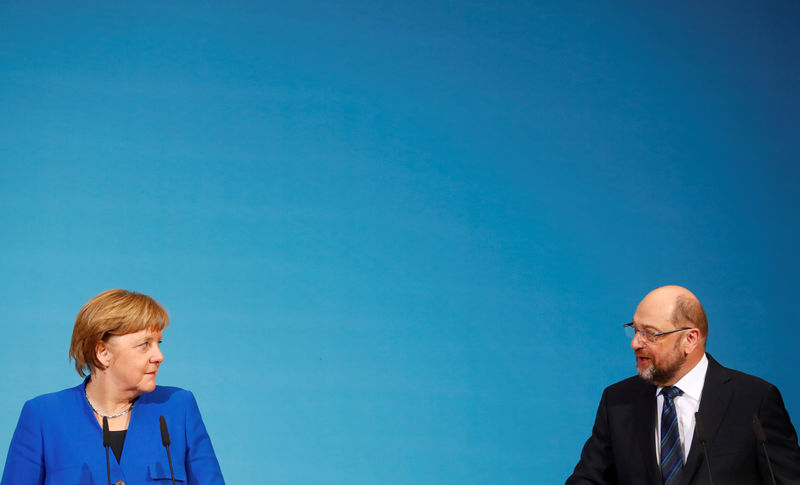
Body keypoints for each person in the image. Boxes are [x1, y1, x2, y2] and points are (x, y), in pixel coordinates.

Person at [566, 285, 800, 485]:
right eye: (635, 330)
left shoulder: (753, 400)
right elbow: (588, 479)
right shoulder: (618, 400)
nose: (636, 343)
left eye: (650, 333)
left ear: (690, 339)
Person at [1, 289, 225, 485]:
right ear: (103, 352)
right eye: (144, 345)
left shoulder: (178, 407)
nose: (159, 356)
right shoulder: (43, 416)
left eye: (159, 343)